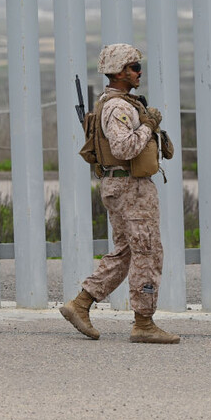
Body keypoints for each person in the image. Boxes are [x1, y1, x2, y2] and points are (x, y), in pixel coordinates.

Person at [60, 43, 179, 344]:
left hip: (123, 185)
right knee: (147, 252)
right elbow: (124, 147)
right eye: (135, 67)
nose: (140, 72)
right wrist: (149, 125)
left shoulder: (118, 102)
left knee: (126, 251)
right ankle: (144, 323)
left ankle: (81, 304)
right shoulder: (118, 107)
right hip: (130, 187)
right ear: (119, 72)